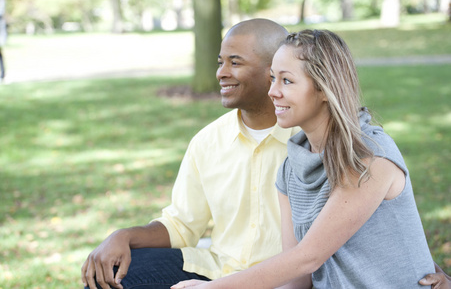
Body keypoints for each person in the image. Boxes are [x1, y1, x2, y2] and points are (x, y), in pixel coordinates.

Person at [82, 20, 450, 289]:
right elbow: (299, 278)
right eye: (274, 79)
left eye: (286, 80)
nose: (274, 92)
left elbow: (308, 256)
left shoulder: (367, 154)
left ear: (324, 89)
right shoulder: (293, 164)